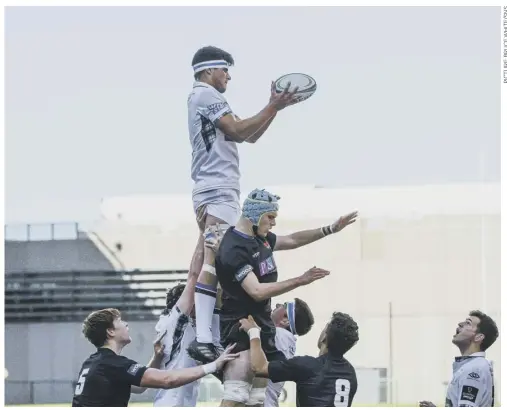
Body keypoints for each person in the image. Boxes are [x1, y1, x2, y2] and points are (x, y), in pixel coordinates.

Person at [186, 45, 301, 363]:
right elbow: (237, 131)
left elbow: (248, 136)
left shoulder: (205, 98)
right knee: (214, 259)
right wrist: (271, 105)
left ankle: (201, 331)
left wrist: (274, 108)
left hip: (213, 189)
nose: (228, 76)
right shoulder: (207, 95)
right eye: (224, 69)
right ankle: (205, 337)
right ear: (209, 70)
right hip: (218, 188)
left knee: (206, 258)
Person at [211, 188, 358, 406]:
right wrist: (300, 280)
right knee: (237, 395)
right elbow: (257, 291)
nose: (273, 223)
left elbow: (292, 240)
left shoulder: (262, 240)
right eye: (270, 217)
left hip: (261, 330)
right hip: (242, 326)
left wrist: (329, 229)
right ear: (255, 214)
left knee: (257, 399)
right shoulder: (234, 248)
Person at [71, 308, 238, 407]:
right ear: (110, 331)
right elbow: (167, 380)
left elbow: (138, 387)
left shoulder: (94, 362)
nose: (126, 324)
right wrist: (214, 365)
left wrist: (156, 358)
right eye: (120, 321)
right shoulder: (112, 364)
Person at [240, 311, 359, 407]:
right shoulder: (350, 373)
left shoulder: (309, 366)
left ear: (324, 337)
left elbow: (258, 367)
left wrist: (253, 332)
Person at [419, 310, 498, 408]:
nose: (460, 324)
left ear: (478, 337)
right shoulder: (474, 366)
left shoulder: (473, 370)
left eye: (468, 323)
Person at [264, 298, 315, 407]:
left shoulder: (278, 335)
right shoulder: (285, 339)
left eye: (284, 305)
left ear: (285, 320)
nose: (277, 305)